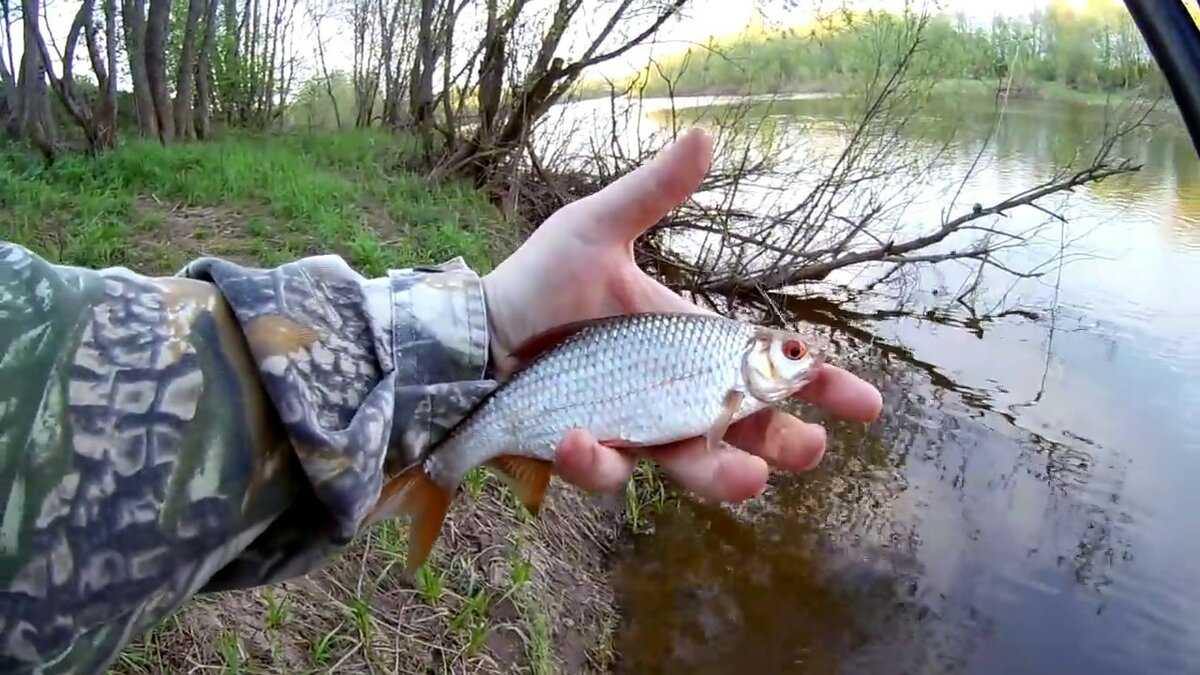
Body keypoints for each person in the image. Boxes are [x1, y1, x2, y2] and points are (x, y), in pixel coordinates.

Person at [0, 128, 881, 673]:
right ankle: (441, 471)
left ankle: (443, 468)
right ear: (759, 359)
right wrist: (488, 329)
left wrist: (489, 322)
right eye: (792, 353)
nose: (798, 366)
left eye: (795, 354)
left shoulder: (724, 368)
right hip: (540, 385)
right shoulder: (724, 367)